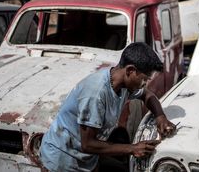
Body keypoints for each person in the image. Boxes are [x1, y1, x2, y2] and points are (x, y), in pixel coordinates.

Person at [40, 42, 176, 172]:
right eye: (144, 79)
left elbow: (147, 95)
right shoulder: (96, 93)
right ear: (130, 70)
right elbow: (87, 144)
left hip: (86, 159)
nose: (144, 84)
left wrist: (160, 117)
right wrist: (132, 148)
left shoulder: (122, 84)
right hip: (63, 160)